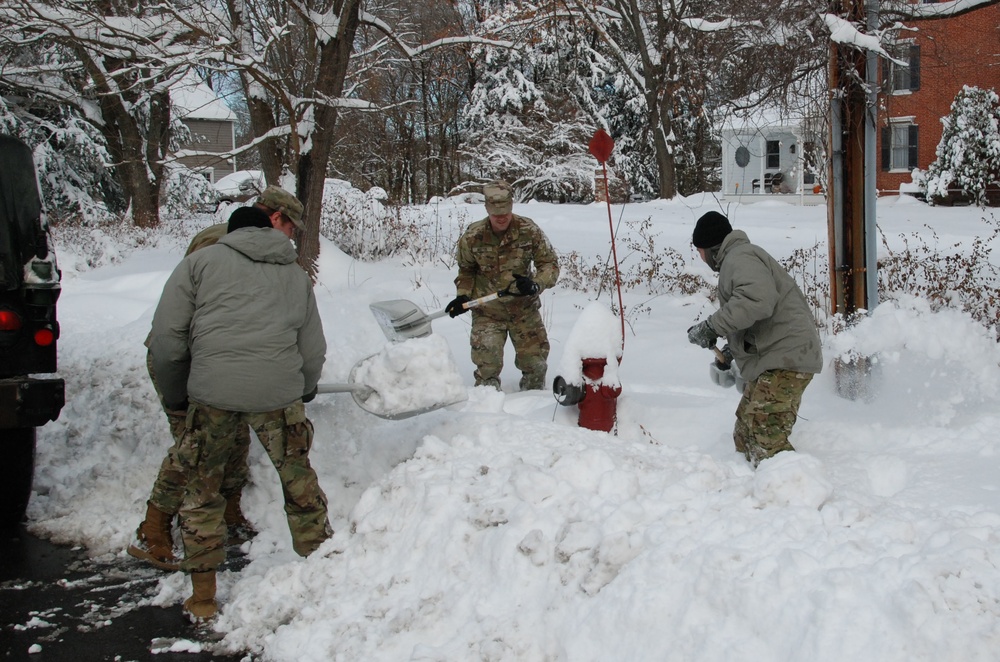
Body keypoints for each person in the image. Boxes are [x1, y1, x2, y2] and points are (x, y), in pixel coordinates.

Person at [148, 189, 331, 624]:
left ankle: (204, 597)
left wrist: (177, 395)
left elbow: (168, 342)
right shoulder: (296, 274)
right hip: (277, 396)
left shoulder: (200, 262)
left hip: (213, 393)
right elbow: (312, 349)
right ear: (273, 225)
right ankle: (325, 575)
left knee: (202, 491)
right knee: (299, 485)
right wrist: (302, 390)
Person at [127, 186, 309, 572]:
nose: (291, 237)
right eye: (291, 228)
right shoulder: (218, 242)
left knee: (235, 439)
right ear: (276, 218)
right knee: (193, 450)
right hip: (187, 357)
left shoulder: (258, 251)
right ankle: (153, 529)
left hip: (223, 362)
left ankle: (226, 515)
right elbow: (188, 316)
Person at [686, 211, 822, 467]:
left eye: (699, 250)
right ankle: (752, 492)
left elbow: (756, 302)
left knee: (765, 437)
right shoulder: (738, 259)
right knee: (745, 435)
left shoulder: (740, 257)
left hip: (787, 358)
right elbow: (753, 317)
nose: (700, 257)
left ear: (710, 248)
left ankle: (795, 491)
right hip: (777, 356)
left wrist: (710, 327)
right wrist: (732, 349)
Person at [446, 180, 560, 391]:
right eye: (496, 214)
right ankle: (488, 413)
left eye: (505, 213)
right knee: (487, 366)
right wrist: (463, 295)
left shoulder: (528, 229)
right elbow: (466, 270)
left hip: (524, 309)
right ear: (487, 209)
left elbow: (549, 264)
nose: (501, 218)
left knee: (535, 364)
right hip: (487, 311)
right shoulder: (473, 236)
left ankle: (536, 412)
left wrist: (536, 284)